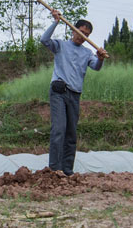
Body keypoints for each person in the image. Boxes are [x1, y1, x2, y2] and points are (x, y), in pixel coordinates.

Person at [40, 9, 108, 175]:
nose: (82, 36)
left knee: (71, 134)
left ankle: (67, 170)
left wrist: (100, 58)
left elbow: (96, 67)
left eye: (86, 34)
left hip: (74, 95)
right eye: (80, 32)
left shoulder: (87, 53)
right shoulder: (61, 46)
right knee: (59, 130)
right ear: (73, 30)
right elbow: (44, 40)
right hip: (59, 92)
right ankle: (55, 169)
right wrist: (56, 21)